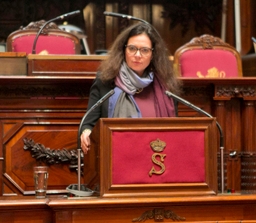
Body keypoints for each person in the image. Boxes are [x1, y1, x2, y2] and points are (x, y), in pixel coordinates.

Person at [80, 22, 182, 154]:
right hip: (114, 161)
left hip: (157, 161)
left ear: (153, 54)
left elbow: (176, 132)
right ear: (124, 50)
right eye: (132, 48)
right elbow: (88, 123)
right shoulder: (106, 81)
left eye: (144, 50)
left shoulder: (165, 86)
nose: (138, 55)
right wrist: (86, 132)